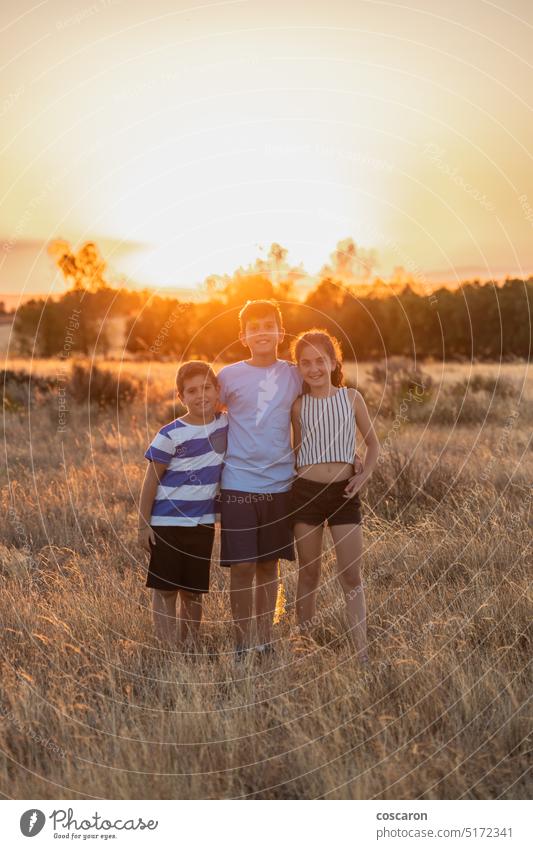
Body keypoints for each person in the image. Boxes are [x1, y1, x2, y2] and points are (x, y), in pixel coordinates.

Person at [217, 299, 303, 659]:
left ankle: (265, 641)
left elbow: (324, 406)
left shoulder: (295, 373)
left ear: (280, 331)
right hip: (237, 482)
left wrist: (349, 450)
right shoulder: (229, 376)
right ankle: (241, 643)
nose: (263, 331)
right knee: (242, 567)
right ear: (243, 336)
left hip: (280, 484)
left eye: (269, 324)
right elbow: (206, 416)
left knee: (268, 565)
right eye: (255, 327)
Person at [290, 329, 380, 662]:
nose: (313, 368)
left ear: (333, 362)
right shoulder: (298, 406)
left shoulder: (351, 398)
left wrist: (362, 475)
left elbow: (373, 444)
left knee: (350, 575)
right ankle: (303, 648)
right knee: (308, 573)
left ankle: (362, 653)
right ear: (298, 367)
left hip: (344, 493)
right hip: (306, 494)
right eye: (305, 363)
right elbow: (296, 449)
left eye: (319, 361)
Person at [138, 361, 228, 648]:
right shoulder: (170, 434)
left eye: (206, 388)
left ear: (217, 391)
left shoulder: (225, 424)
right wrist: (143, 526)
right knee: (165, 590)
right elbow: (150, 481)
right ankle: (166, 648)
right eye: (192, 391)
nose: (200, 396)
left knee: (193, 591)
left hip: (202, 524)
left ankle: (189, 645)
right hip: (166, 523)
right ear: (181, 397)